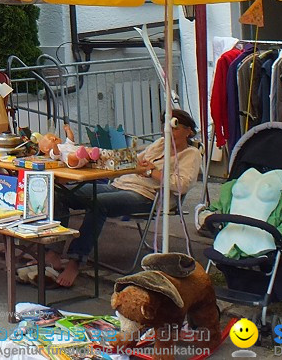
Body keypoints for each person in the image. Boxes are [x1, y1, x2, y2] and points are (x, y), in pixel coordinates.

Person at [46, 109, 202, 287]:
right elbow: (133, 161)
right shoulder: (160, 143)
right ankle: (53, 251)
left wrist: (152, 172)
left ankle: (76, 260)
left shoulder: (191, 154)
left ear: (188, 130)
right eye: (165, 127)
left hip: (147, 196)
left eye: (174, 128)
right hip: (121, 184)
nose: (168, 132)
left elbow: (181, 185)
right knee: (61, 193)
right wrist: (137, 164)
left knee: (98, 204)